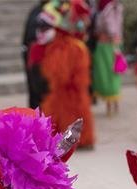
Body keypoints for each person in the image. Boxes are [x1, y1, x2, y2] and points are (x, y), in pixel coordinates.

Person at [36, 0, 95, 148]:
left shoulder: (71, 6)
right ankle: (71, 138)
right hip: (67, 47)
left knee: (70, 103)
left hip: (69, 49)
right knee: (66, 102)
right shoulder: (67, 6)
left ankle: (73, 138)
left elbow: (80, 24)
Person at [91, 0, 123, 116]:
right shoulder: (112, 7)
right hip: (110, 45)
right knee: (111, 74)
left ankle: (112, 106)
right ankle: (113, 105)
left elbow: (110, 27)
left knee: (109, 74)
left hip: (107, 45)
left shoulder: (110, 7)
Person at [22, 0, 48, 108]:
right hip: (33, 56)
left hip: (47, 57)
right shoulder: (35, 11)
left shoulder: (55, 12)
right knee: (34, 89)